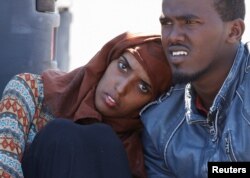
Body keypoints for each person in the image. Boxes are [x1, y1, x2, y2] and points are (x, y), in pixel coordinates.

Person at [0, 32, 172, 178]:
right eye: (123, 66)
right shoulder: (30, 90)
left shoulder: (144, 146)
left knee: (103, 136)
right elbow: (4, 164)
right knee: (62, 133)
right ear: (107, 60)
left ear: (151, 103)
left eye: (142, 87)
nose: (120, 89)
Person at [140, 0, 250, 177]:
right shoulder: (158, 125)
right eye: (167, 23)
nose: (173, 36)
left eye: (190, 22)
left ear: (233, 31)